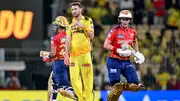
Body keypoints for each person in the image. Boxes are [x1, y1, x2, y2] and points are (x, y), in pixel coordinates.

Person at [103, 10, 146, 101]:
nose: (125, 21)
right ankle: (115, 90)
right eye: (123, 19)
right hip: (114, 60)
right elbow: (106, 45)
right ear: (120, 20)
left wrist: (137, 53)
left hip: (126, 61)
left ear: (130, 20)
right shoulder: (114, 31)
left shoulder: (133, 31)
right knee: (115, 87)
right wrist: (117, 50)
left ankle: (120, 86)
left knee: (135, 85)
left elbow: (134, 41)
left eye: (127, 19)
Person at [64, 1, 94, 101]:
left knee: (87, 80)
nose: (73, 11)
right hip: (73, 55)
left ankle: (89, 99)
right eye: (72, 9)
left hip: (85, 54)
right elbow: (68, 40)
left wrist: (83, 27)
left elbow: (91, 36)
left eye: (75, 9)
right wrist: (66, 55)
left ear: (80, 9)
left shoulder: (87, 20)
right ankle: (81, 99)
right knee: (73, 80)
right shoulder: (70, 24)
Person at [42, 16, 77, 101]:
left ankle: (79, 98)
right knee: (53, 81)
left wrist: (47, 56)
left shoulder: (55, 38)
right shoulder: (72, 36)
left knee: (64, 87)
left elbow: (53, 54)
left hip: (60, 63)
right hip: (72, 62)